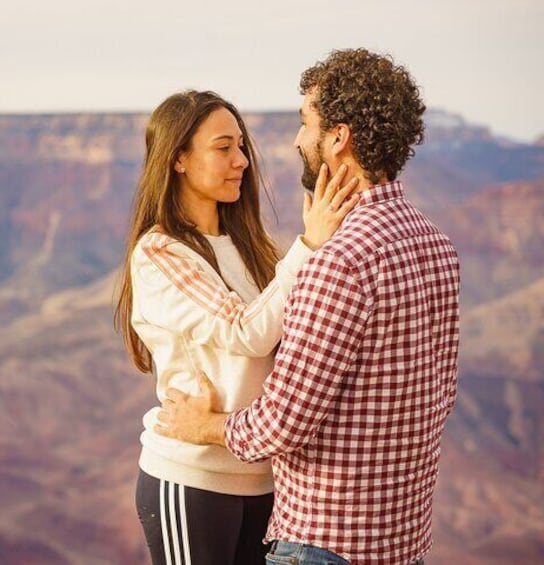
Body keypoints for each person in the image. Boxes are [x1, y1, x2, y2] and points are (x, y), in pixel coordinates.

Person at [154, 49, 460, 565]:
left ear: (338, 137)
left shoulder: (338, 261)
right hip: (404, 542)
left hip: (324, 544)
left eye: (305, 123)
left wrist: (201, 428)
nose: (297, 140)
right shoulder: (435, 245)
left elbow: (281, 424)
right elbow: (441, 397)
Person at [114, 90, 359, 565]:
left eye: (242, 147)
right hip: (193, 478)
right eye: (223, 148)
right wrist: (310, 243)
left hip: (266, 482)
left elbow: (295, 327)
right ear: (179, 158)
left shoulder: (251, 245)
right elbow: (247, 332)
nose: (242, 161)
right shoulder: (160, 253)